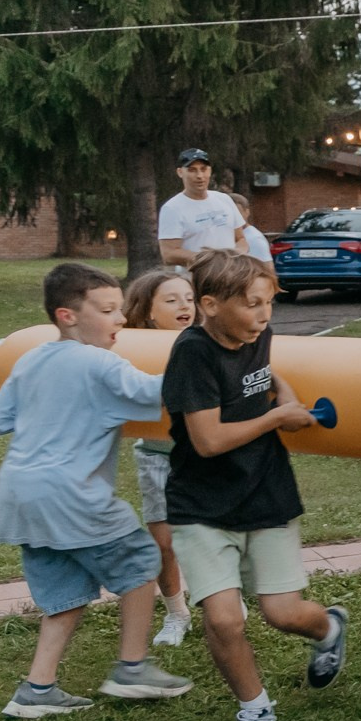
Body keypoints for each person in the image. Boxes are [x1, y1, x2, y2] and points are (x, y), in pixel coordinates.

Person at [0, 263, 194, 718]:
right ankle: (132, 668)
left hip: (20, 494)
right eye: (108, 310)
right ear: (68, 315)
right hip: (71, 492)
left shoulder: (32, 358)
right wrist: (205, 357)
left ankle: (36, 691)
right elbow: (164, 393)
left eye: (121, 309)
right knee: (142, 563)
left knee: (66, 594)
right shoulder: (99, 362)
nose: (120, 320)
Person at [162, 249, 349, 721]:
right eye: (252, 304)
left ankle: (330, 627)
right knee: (223, 618)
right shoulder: (192, 354)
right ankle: (255, 710)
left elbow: (264, 377)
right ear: (210, 304)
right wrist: (276, 419)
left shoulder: (255, 334)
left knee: (284, 613)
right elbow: (208, 440)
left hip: (265, 491)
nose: (264, 316)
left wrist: (284, 397)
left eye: (268, 303)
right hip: (202, 504)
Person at [121, 269, 199, 646]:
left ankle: (216, 595)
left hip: (203, 455)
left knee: (207, 534)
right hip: (156, 456)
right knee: (163, 542)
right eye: (171, 300)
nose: (184, 305)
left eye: (188, 297)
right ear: (149, 312)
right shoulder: (132, 350)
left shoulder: (206, 342)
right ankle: (176, 613)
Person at [156, 148, 246, 268]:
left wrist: (234, 256)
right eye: (192, 170)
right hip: (197, 280)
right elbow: (169, 254)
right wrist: (209, 260)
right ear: (180, 172)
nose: (199, 176)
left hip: (231, 276)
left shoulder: (224, 199)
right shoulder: (172, 208)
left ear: (210, 171)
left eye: (203, 169)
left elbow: (240, 239)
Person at [228, 192, 273, 264]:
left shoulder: (254, 239)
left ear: (247, 212)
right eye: (229, 213)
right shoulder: (228, 235)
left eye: (238, 213)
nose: (234, 217)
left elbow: (267, 269)